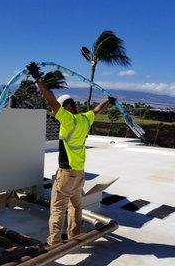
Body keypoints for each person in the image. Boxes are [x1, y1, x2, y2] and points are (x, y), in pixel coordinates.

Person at [26, 62, 116, 245]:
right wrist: (108, 100)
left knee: (57, 208)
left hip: (66, 174)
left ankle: (54, 242)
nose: (55, 112)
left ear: (65, 107)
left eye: (57, 109)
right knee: (76, 205)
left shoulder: (67, 120)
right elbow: (97, 110)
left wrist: (37, 79)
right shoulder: (84, 119)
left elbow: (50, 99)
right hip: (80, 173)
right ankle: (75, 234)